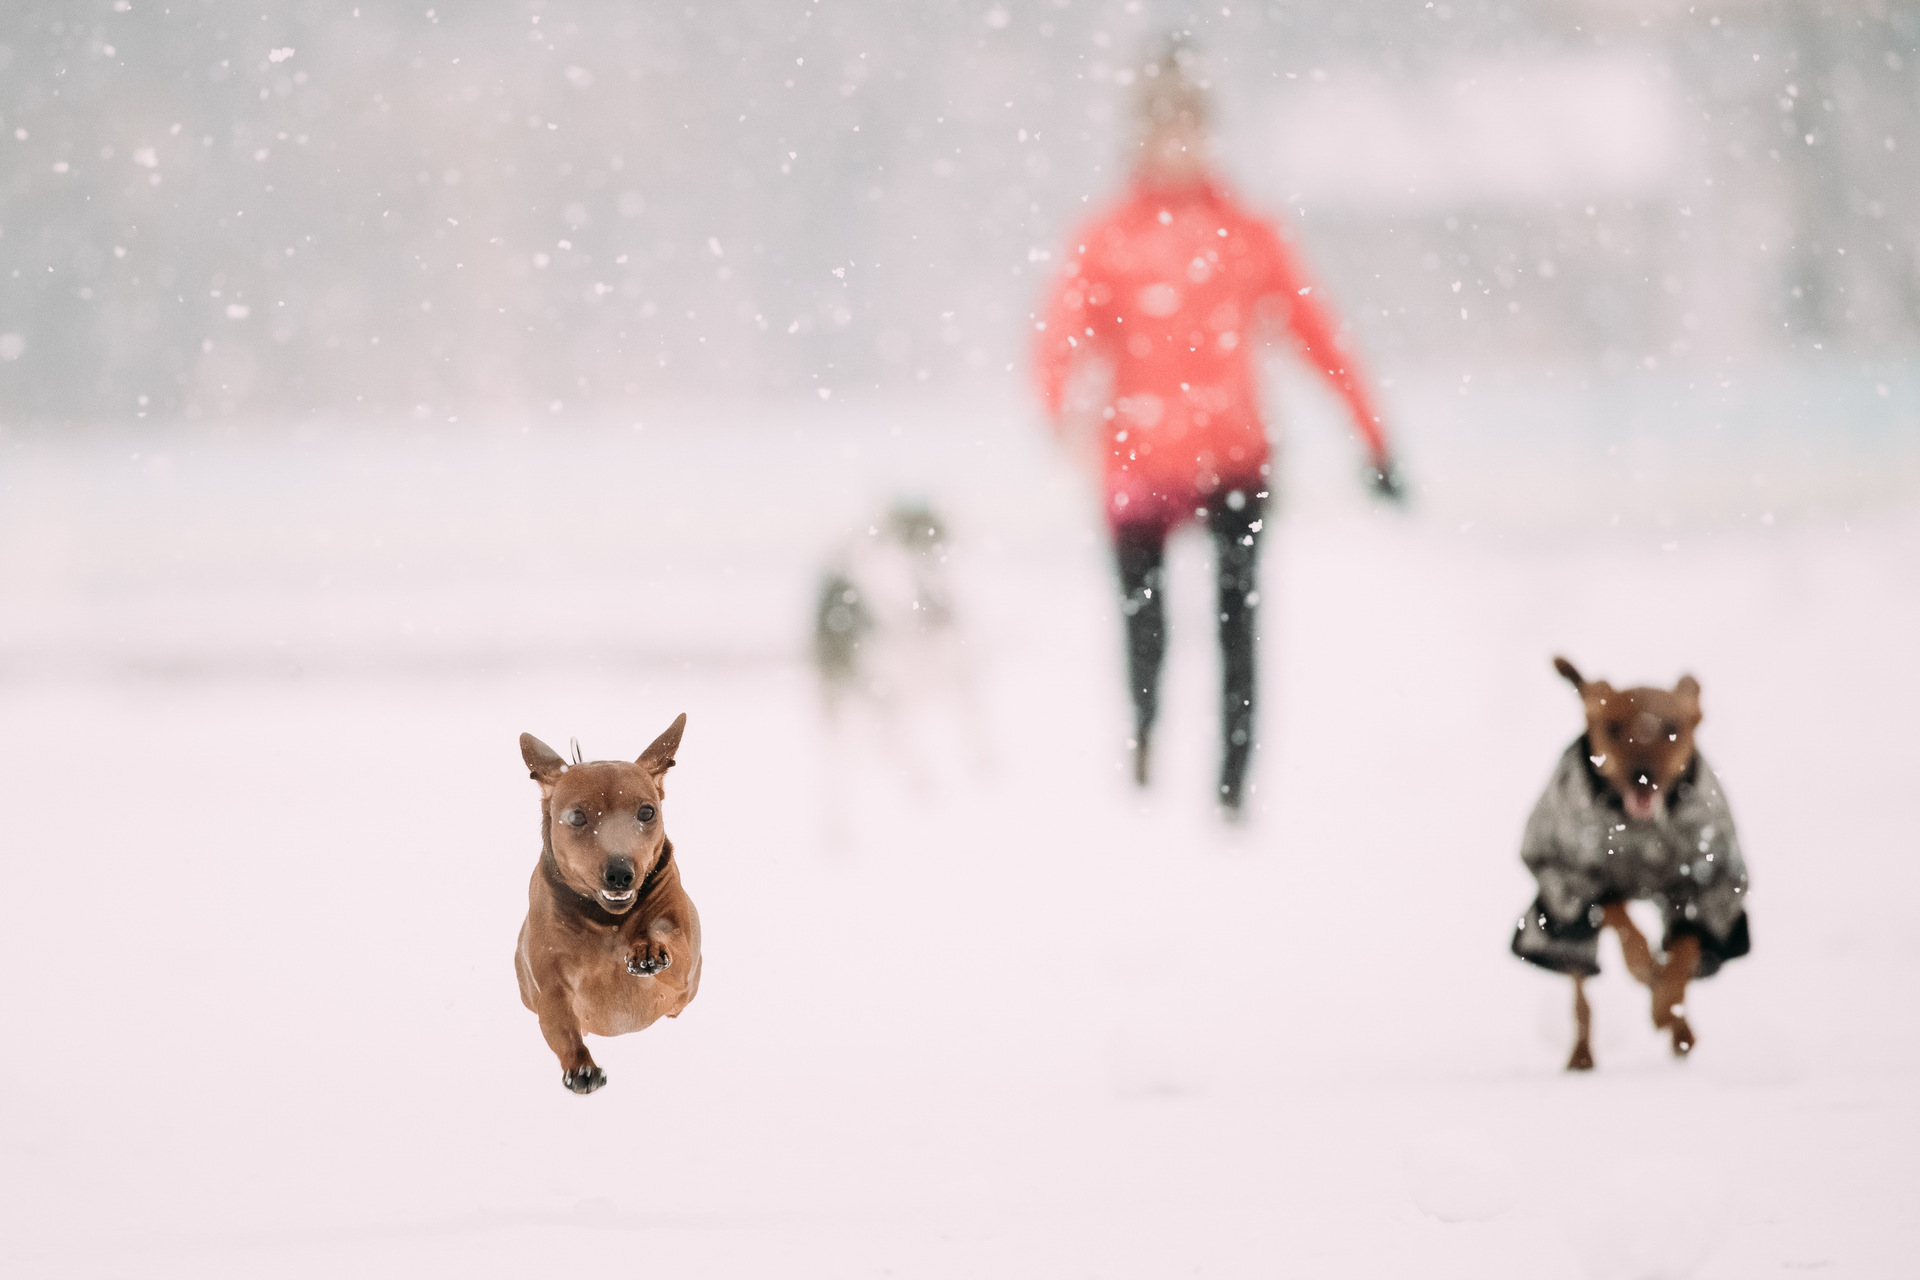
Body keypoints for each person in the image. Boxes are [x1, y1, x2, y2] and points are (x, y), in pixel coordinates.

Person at [1032, 42, 1402, 817]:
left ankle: (1233, 784)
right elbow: (1059, 335)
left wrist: (1373, 438)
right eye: (1162, 129)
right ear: (1139, 137)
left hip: (1235, 456)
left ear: (1206, 133)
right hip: (1136, 459)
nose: (1177, 145)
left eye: (1188, 128)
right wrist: (1057, 410)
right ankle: (1145, 741)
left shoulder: (1245, 232)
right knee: (1145, 624)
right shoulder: (1107, 238)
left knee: (1238, 624)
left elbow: (1318, 335)